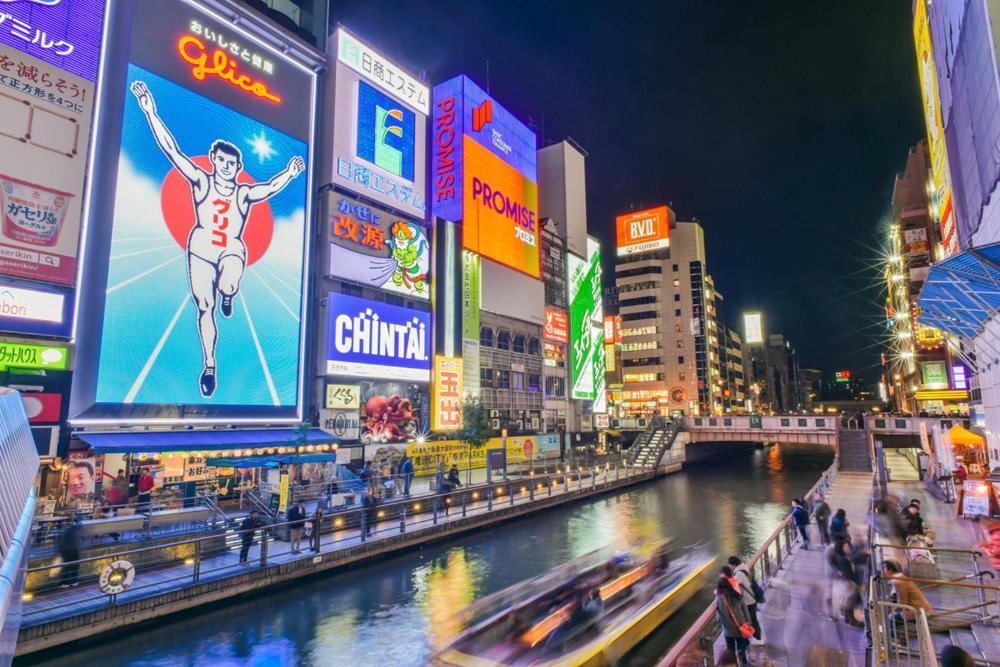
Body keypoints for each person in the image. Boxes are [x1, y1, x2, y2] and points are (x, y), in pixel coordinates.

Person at [130, 80, 304, 397]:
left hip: (231, 248)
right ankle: (210, 365)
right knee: (204, 307)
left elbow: (269, 188)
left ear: (239, 167)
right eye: (221, 161)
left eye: (232, 163)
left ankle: (229, 293)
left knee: (228, 283)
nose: (226, 167)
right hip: (200, 248)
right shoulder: (201, 181)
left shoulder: (243, 193)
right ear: (213, 161)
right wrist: (150, 111)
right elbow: (172, 150)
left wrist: (290, 174)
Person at [715, 570, 752, 666]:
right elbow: (744, 608)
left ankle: (734, 664)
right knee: (741, 647)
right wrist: (748, 621)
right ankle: (743, 663)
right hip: (742, 626)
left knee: (731, 650)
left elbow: (723, 618)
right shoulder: (737, 592)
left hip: (729, 631)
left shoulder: (720, 598)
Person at [728, 556, 763, 644]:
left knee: (750, 620)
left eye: (730, 565)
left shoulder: (739, 574)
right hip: (752, 598)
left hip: (749, 601)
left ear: (733, 565)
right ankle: (757, 637)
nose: (730, 567)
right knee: (753, 619)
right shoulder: (744, 568)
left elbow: (732, 586)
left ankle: (756, 639)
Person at [58, 517, 82, 587]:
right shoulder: (75, 528)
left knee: (66, 567)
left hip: (65, 551)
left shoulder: (63, 530)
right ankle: (74, 581)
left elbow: (60, 541)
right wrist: (77, 520)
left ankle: (65, 583)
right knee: (75, 566)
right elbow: (81, 524)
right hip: (74, 549)